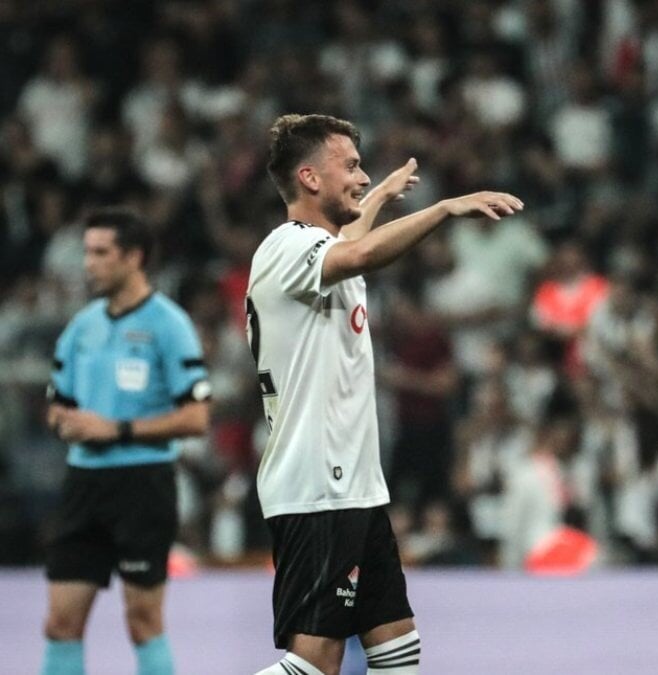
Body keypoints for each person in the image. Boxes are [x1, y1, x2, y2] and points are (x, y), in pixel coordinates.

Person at [246, 113, 522, 675]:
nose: (363, 176)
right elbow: (361, 253)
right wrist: (444, 209)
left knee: (397, 647)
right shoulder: (285, 247)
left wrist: (380, 200)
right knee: (316, 662)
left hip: (355, 485)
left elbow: (348, 243)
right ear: (309, 178)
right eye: (350, 166)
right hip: (319, 486)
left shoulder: (316, 253)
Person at [42, 207, 212, 675]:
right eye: (87, 252)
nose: (88, 264)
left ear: (134, 257)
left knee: (142, 622)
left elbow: (197, 417)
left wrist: (116, 429)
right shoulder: (81, 327)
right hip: (84, 483)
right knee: (60, 623)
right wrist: (64, 423)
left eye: (101, 253)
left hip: (142, 483)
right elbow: (58, 405)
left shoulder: (169, 325)